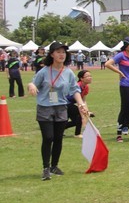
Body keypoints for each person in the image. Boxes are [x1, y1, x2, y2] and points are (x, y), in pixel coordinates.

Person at [28, 42, 89, 181]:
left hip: (61, 107)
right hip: (45, 108)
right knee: (48, 137)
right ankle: (45, 168)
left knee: (58, 138)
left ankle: (54, 166)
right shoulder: (44, 71)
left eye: (63, 52)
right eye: (58, 52)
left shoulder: (68, 72)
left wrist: (81, 104)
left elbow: (75, 90)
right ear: (52, 54)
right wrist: (31, 86)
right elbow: (32, 83)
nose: (62, 54)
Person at [105, 36, 129, 142]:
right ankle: (119, 133)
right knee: (125, 108)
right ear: (126, 46)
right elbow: (107, 64)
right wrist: (119, 72)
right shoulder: (121, 55)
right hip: (126, 85)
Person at [65, 70, 93, 138]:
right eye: (87, 76)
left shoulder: (86, 87)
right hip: (65, 103)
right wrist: (84, 115)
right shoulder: (78, 86)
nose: (90, 77)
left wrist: (87, 111)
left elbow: (83, 101)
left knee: (75, 121)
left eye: (90, 76)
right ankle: (77, 134)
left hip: (70, 104)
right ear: (81, 78)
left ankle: (59, 128)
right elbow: (79, 102)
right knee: (79, 116)